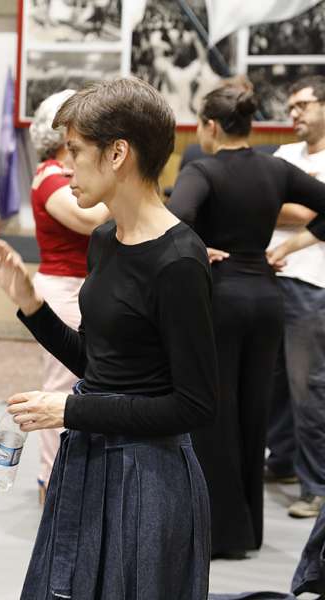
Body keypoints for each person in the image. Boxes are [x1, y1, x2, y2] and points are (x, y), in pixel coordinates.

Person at [0, 77, 217, 599]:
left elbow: (193, 405)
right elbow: (99, 364)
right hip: (91, 463)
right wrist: (31, 306)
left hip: (147, 478)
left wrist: (71, 411)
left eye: (76, 152)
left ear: (117, 154)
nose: (65, 167)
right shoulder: (106, 240)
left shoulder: (178, 260)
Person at [168, 80, 325, 557]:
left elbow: (175, 218)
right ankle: (250, 532)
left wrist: (200, 248)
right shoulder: (277, 168)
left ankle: (222, 534)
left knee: (214, 413)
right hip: (266, 298)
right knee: (253, 413)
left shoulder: (203, 168)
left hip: (222, 298)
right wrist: (296, 243)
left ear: (211, 126)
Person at [27, 89, 109, 504]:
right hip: (63, 289)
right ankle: (51, 481)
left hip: (81, 287)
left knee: (80, 387)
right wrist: (123, 189)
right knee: (62, 389)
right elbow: (87, 220)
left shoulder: (66, 173)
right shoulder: (49, 175)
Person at [265, 76, 325, 519]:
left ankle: (316, 487)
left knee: (308, 389)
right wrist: (303, 206)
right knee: (275, 384)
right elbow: (264, 199)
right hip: (271, 283)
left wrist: (289, 237)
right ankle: (281, 461)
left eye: (302, 105)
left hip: (312, 287)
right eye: (290, 107)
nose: (294, 115)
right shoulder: (284, 156)